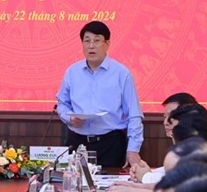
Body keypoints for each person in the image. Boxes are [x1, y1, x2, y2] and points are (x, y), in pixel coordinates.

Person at [56, 21, 144, 167]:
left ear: (107, 44)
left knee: (111, 181)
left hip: (110, 144)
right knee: (74, 180)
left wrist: (133, 149)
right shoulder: (72, 72)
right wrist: (69, 118)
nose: (91, 46)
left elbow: (134, 114)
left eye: (97, 40)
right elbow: (62, 104)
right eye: (87, 41)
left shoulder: (121, 73)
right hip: (77, 142)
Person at [131, 92, 198, 183]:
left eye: (171, 117)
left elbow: (178, 184)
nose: (165, 122)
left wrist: (146, 177)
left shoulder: (200, 148)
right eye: (165, 117)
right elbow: (171, 170)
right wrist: (144, 172)